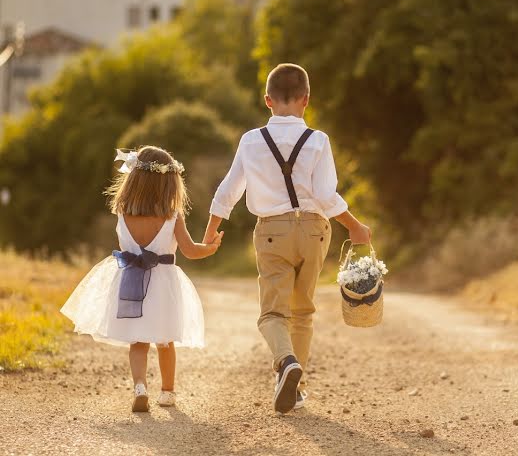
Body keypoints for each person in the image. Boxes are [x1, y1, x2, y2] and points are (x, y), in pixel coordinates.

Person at [204, 63, 371, 414]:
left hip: (272, 232)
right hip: (314, 230)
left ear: (268, 100)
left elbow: (230, 188)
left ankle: (286, 362)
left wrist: (210, 229)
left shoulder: (251, 140)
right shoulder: (319, 140)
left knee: (272, 314)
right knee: (303, 312)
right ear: (306, 100)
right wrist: (354, 225)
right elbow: (326, 195)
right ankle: (296, 388)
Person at [61, 146, 222, 412]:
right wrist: (211, 247)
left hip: (130, 281)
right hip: (163, 284)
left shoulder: (123, 213)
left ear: (134, 180)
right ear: (169, 183)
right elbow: (191, 251)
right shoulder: (172, 216)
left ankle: (139, 387)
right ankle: (167, 393)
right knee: (165, 340)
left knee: (138, 341)